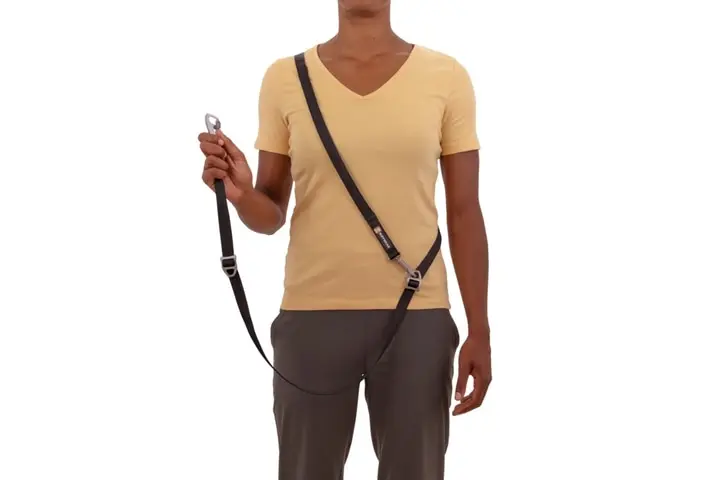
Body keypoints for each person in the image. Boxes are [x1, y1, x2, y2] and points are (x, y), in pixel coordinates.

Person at [198, 1, 491, 478]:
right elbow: (270, 214)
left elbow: (465, 212)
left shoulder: (446, 77)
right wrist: (240, 192)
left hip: (417, 317)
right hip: (311, 317)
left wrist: (480, 329)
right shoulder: (285, 78)